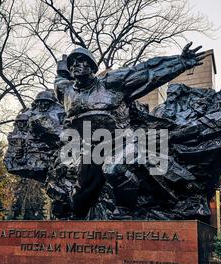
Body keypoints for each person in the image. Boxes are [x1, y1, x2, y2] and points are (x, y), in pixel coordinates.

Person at [54, 43, 205, 218]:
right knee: (79, 197)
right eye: (72, 63)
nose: (75, 65)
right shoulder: (66, 91)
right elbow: (60, 79)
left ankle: (125, 210)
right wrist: (62, 68)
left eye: (81, 61)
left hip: (121, 142)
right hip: (91, 147)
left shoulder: (112, 84)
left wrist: (181, 62)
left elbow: (147, 72)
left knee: (114, 169)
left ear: (92, 67)